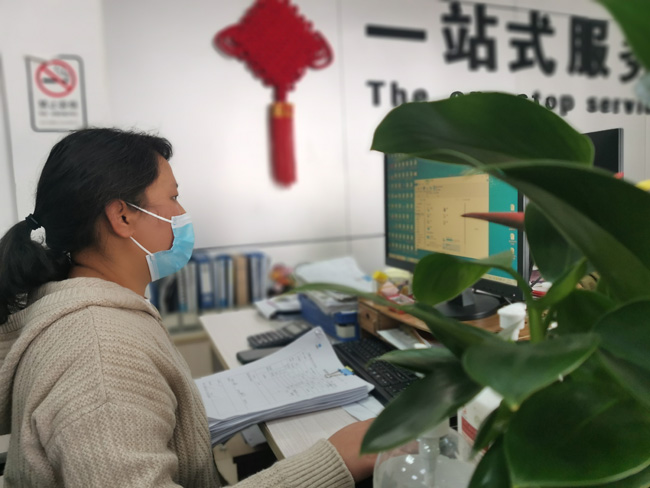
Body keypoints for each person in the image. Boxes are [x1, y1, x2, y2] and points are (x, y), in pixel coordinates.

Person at [0, 128, 376, 487]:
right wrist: (337, 460)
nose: (182, 212)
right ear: (122, 216)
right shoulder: (101, 356)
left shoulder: (87, 307)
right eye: (174, 197)